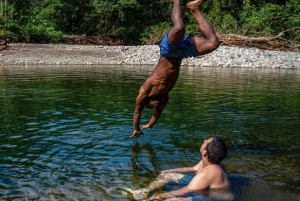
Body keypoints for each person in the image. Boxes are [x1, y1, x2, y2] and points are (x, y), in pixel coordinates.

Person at [131, 0, 219, 138]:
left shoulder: (145, 90)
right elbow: (158, 112)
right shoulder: (164, 95)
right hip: (181, 54)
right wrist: (149, 124)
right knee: (213, 43)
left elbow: (137, 111)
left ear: (147, 101)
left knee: (179, 28)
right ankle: (194, 8)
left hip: (168, 52)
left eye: (152, 105)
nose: (156, 105)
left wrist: (135, 128)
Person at [130, 136, 233, 200]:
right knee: (166, 175)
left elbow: (184, 191)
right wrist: (167, 171)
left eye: (206, 142)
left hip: (209, 197)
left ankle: (149, 199)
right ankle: (144, 191)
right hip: (200, 187)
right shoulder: (209, 161)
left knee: (172, 200)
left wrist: (160, 196)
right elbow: (193, 168)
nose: (204, 140)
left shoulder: (209, 173)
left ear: (205, 153)